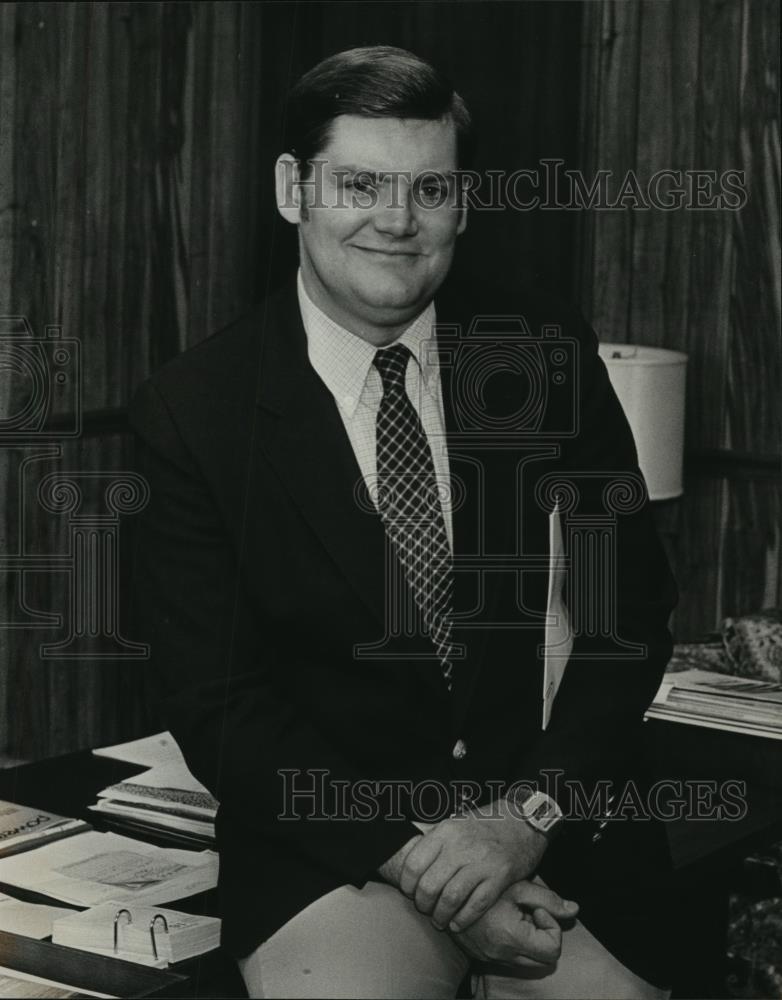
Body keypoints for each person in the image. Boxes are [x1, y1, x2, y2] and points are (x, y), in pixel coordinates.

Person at [129, 45, 678, 999]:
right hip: (333, 851)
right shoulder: (195, 411)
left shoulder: (543, 354)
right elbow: (219, 707)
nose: (396, 218)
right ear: (292, 189)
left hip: (543, 825)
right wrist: (416, 858)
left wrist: (522, 819)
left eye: (430, 189)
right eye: (360, 183)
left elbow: (625, 620)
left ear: (462, 206)